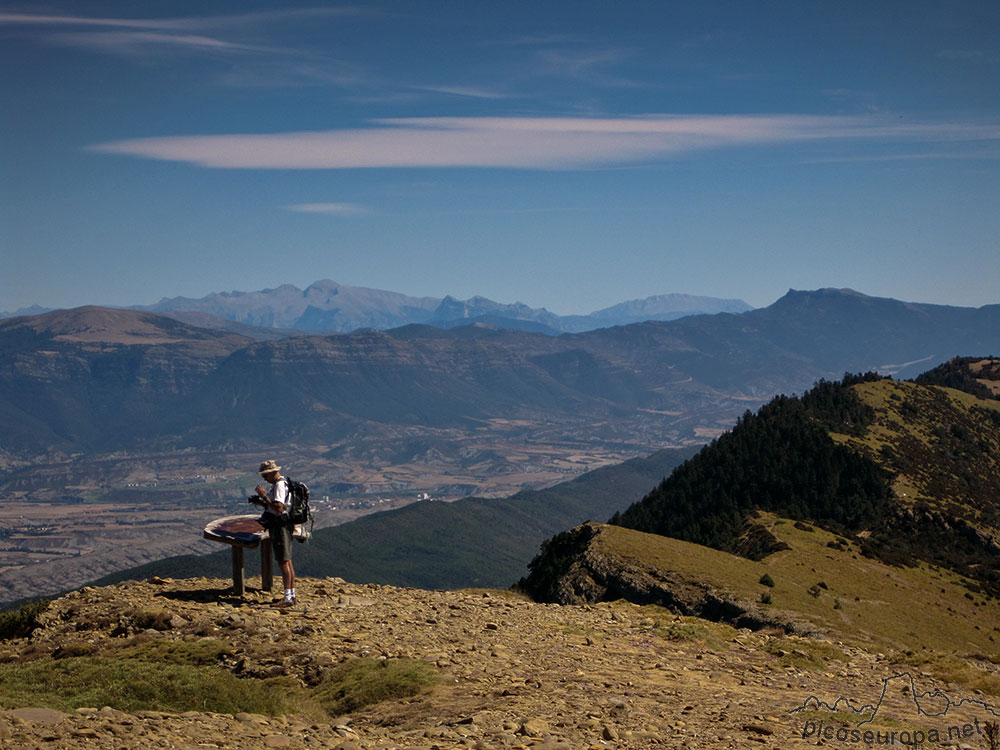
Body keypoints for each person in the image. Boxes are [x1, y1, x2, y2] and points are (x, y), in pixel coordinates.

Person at [251, 459, 296, 607]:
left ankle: (288, 598)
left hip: (280, 525)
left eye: (265, 475)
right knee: (287, 560)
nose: (264, 478)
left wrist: (264, 496)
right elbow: (274, 505)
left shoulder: (279, 485)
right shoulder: (282, 484)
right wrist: (262, 503)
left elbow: (278, 507)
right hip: (284, 524)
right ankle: (291, 595)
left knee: (283, 561)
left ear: (272, 472)